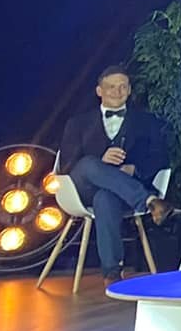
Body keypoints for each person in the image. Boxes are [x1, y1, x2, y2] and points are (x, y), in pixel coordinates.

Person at [56, 65, 171, 282]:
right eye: (111, 87)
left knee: (105, 198)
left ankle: (112, 271)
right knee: (89, 163)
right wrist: (101, 161)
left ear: (129, 90)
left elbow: (161, 157)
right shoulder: (78, 123)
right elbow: (67, 164)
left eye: (123, 87)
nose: (117, 92)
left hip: (120, 193)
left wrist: (134, 169)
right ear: (99, 91)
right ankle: (149, 200)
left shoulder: (147, 122)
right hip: (83, 187)